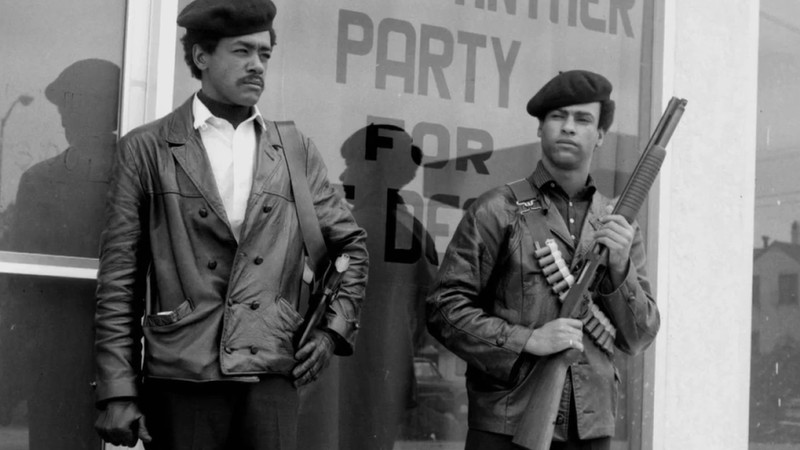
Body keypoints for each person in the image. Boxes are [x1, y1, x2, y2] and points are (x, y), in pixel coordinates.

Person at [92, 0, 368, 448]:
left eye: (264, 54)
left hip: (272, 372)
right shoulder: (147, 148)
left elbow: (351, 248)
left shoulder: (294, 149)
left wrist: (330, 330)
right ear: (201, 57)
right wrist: (117, 391)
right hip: (183, 374)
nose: (257, 65)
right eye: (242, 52)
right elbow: (119, 280)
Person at [426, 70, 660, 450]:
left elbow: (640, 335)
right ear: (540, 128)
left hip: (590, 427)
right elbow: (443, 309)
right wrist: (527, 340)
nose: (569, 128)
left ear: (600, 135)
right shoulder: (496, 209)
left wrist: (619, 269)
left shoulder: (619, 225)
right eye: (558, 116)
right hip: (507, 423)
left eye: (583, 119)